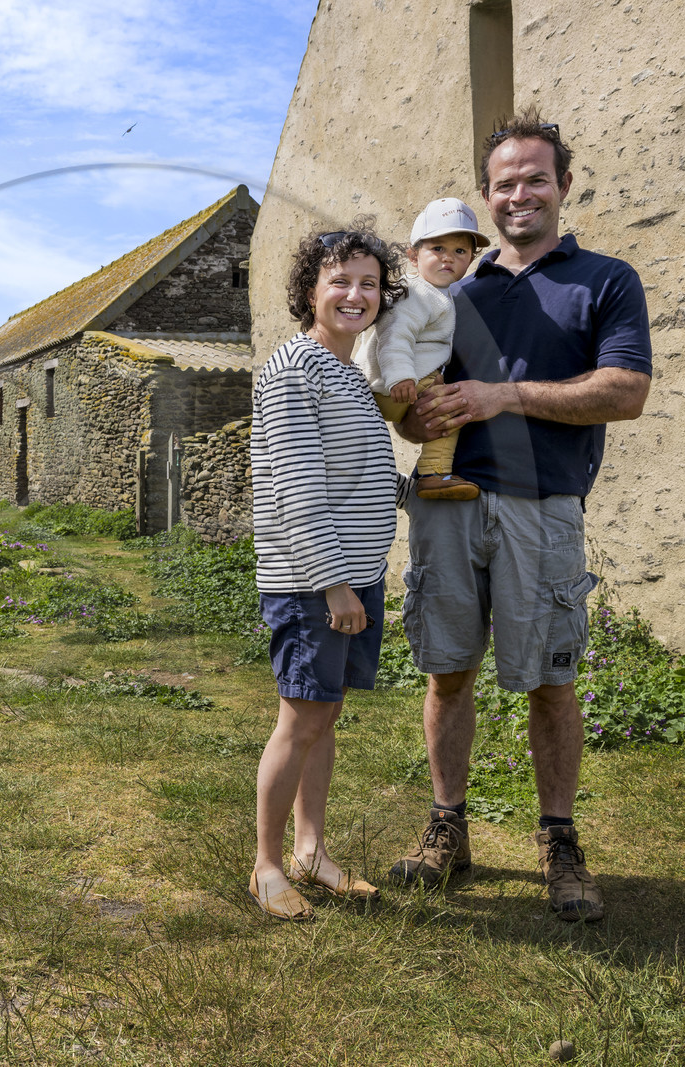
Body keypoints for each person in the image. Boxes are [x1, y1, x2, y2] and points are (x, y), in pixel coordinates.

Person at [389, 110, 653, 922]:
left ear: (564, 185)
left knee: (550, 681)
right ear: (486, 196)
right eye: (504, 183)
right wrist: (413, 415)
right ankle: (447, 826)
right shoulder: (450, 296)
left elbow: (626, 392)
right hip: (450, 504)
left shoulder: (605, 280)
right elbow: (412, 413)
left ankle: (560, 840)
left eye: (536, 178)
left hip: (544, 509)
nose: (520, 194)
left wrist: (506, 394)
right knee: (447, 670)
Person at [247, 225, 403, 921]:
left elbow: (357, 474)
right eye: (340, 280)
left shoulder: (345, 372)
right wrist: (334, 582)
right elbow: (300, 488)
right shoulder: (293, 370)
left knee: (325, 713)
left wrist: (415, 490)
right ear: (309, 290)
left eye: (368, 283)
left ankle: (311, 849)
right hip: (316, 580)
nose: (355, 294)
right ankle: (268, 866)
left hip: (354, 575)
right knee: (301, 716)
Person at [352, 197, 490, 501]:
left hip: (399, 386)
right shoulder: (417, 293)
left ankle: (421, 475)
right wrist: (400, 376)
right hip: (395, 386)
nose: (448, 259)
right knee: (451, 406)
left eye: (460, 251)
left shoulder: (441, 294)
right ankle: (434, 473)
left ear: (471, 258)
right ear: (413, 256)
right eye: (437, 249)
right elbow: (395, 335)